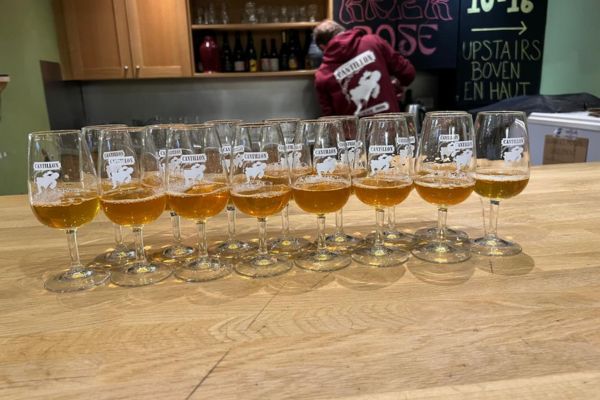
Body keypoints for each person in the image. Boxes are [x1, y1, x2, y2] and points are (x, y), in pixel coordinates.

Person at [313, 20, 416, 117]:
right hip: (389, 124)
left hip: (354, 130)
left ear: (322, 47)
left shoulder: (322, 75)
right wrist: (394, 88)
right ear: (343, 31)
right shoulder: (373, 42)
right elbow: (408, 73)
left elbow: (329, 118)